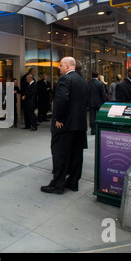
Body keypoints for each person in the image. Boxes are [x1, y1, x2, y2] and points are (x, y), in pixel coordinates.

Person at [41, 57, 88, 194]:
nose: (59, 68)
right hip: (79, 125)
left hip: (65, 125)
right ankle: (73, 183)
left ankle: (58, 184)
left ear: (68, 67)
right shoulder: (82, 80)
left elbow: (61, 100)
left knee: (60, 154)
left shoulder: (65, 79)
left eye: (61, 65)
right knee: (76, 155)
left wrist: (59, 118)